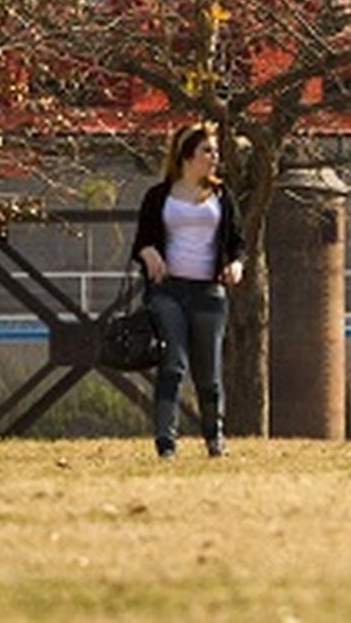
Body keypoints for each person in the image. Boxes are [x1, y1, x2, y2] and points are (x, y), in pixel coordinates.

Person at [131, 121, 245, 459]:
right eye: (207, 151)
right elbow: (142, 242)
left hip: (208, 293)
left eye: (215, 152)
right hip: (168, 291)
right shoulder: (158, 196)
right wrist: (148, 252)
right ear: (186, 155)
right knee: (173, 363)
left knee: (208, 372)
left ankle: (214, 439)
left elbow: (238, 242)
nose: (214, 157)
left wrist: (236, 264)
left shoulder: (222, 196)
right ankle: (166, 442)